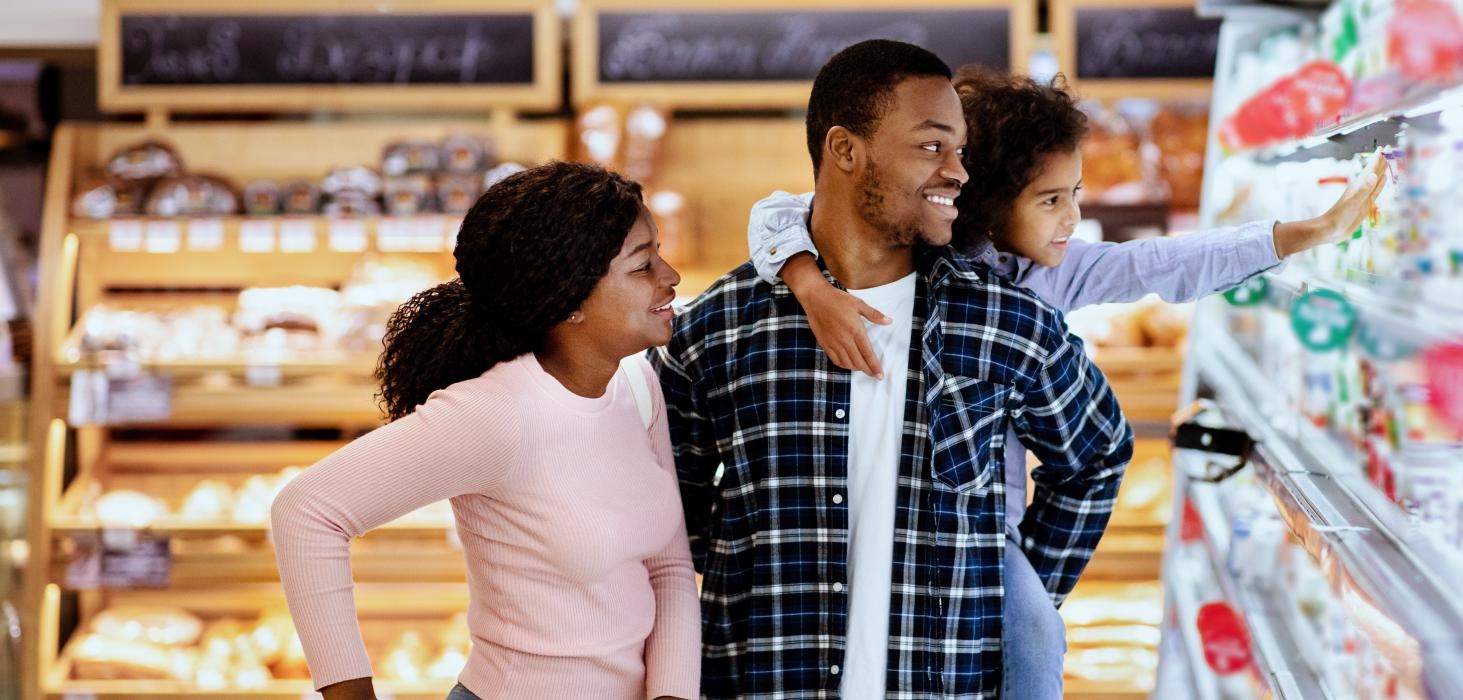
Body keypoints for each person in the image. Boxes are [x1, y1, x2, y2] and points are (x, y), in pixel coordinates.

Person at [745, 70, 1388, 697]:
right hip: (861, 510)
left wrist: (1304, 234)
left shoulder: (1049, 276)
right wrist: (806, 281)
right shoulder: (910, 249)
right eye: (1052, 199)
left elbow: (1164, 263)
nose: (1073, 217)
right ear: (987, 203)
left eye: (1076, 194)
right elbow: (778, 212)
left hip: (981, 534)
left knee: (1033, 632)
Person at [652, 40, 1132, 698]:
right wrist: (754, 576)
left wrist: (1014, 596)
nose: (958, 172)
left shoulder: (1003, 324)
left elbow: (1097, 454)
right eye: (932, 146)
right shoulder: (718, 331)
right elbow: (670, 523)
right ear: (845, 150)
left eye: (960, 150)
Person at [271, 162, 697, 700]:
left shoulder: (636, 385)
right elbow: (306, 512)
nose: (671, 276)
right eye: (643, 265)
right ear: (569, 302)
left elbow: (670, 570)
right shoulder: (496, 413)